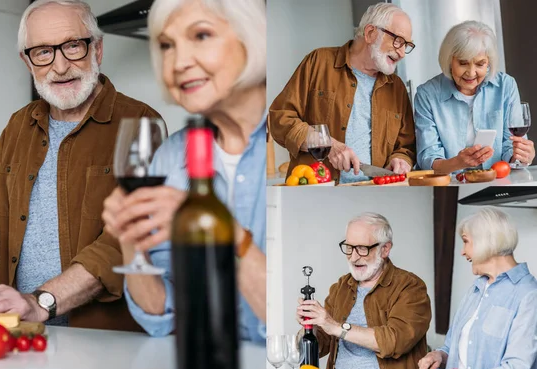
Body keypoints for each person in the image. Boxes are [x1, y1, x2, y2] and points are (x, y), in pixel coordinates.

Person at [0, 0, 161, 331]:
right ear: (28, 62)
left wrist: (41, 300)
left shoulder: (141, 123)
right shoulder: (18, 126)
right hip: (20, 334)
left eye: (73, 47)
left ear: (97, 49)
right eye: (43, 52)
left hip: (102, 340)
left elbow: (127, 240)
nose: (59, 67)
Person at [101, 0, 267, 343]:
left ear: (251, 40)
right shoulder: (169, 158)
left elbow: (300, 322)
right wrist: (131, 242)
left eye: (201, 35)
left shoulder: (297, 147)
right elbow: (162, 317)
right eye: (166, 46)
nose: (178, 62)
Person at [268, 3, 416, 184]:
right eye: (398, 41)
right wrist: (326, 144)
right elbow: (280, 119)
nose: (402, 53)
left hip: (374, 188)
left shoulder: (397, 88)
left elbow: (406, 147)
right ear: (370, 33)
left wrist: (401, 159)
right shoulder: (318, 62)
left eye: (406, 45)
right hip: (317, 188)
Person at [296, 213, 431, 369]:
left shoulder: (410, 287)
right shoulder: (340, 287)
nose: (353, 257)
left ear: (385, 249)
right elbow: (321, 346)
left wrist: (336, 326)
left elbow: (395, 341)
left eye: (362, 248)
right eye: (349, 247)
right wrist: (311, 326)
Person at [418, 207, 537, 369]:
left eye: (466, 242)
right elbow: (452, 348)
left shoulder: (529, 294)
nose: (463, 252)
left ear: (486, 243)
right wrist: (439, 356)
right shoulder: (475, 290)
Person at [415, 20, 535, 173]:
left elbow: (509, 145)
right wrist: (458, 163)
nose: (471, 73)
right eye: (463, 63)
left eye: (480, 64)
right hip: (451, 184)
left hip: (497, 180)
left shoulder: (505, 86)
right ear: (449, 61)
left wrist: (521, 155)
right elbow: (428, 157)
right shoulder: (427, 94)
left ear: (489, 63)